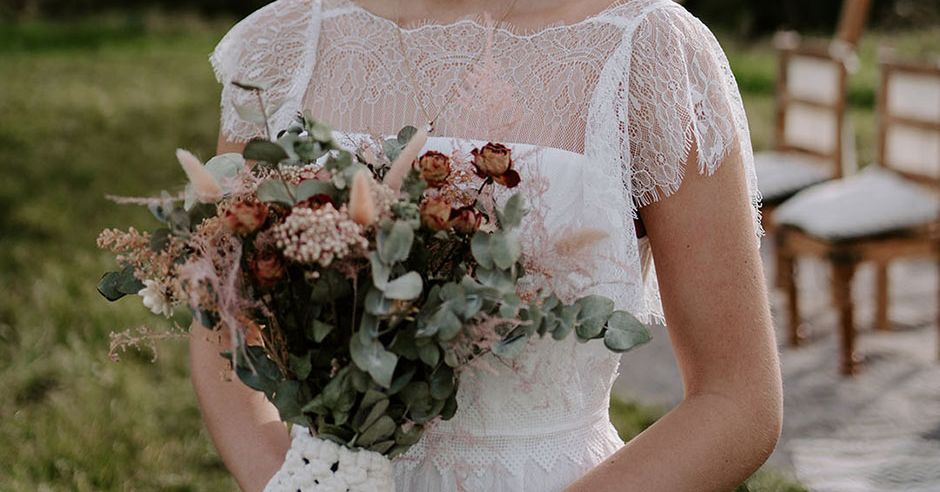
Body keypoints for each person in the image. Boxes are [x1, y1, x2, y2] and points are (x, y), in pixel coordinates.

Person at [190, 0, 783, 490]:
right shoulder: (283, 44)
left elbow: (737, 399)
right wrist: (297, 481)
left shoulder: (650, 52)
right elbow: (221, 323)